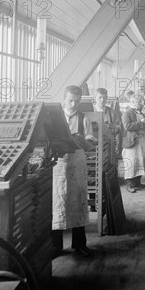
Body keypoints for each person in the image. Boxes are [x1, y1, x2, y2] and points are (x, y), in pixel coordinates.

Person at [52, 85, 96, 258]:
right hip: (58, 164)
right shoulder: (55, 118)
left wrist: (87, 140)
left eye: (77, 101)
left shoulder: (83, 118)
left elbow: (90, 142)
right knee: (58, 203)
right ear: (64, 99)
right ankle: (55, 246)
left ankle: (79, 244)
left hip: (77, 164)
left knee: (78, 202)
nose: (73, 104)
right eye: (70, 100)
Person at [121, 92, 145, 193]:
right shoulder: (127, 113)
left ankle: (137, 183)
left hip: (141, 141)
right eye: (139, 101)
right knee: (131, 163)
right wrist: (141, 123)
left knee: (140, 161)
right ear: (132, 102)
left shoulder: (139, 112)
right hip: (132, 142)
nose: (142, 103)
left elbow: (144, 124)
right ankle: (130, 185)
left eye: (141, 101)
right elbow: (127, 126)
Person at [93, 88, 122, 158]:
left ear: (107, 98)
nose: (102, 100)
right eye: (100, 97)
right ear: (95, 98)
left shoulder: (112, 112)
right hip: (93, 145)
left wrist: (111, 128)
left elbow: (119, 127)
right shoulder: (90, 111)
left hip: (108, 145)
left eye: (104, 97)